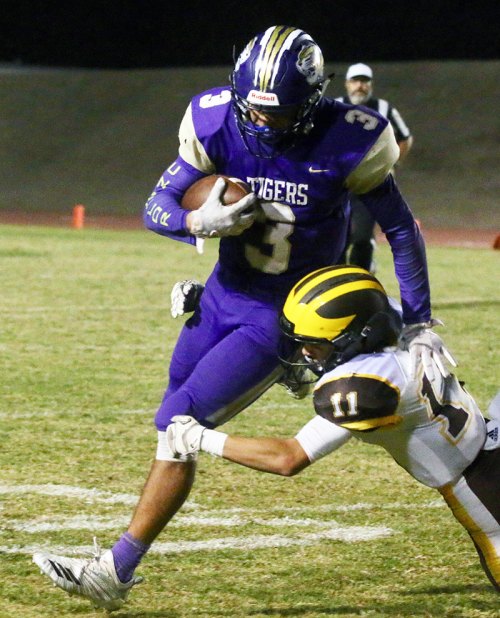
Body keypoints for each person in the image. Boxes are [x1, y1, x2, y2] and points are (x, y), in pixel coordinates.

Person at [33, 26, 450, 611]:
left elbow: (401, 229)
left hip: (280, 314)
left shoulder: (349, 138)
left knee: (179, 421)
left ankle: (115, 570)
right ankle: (120, 564)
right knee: (170, 418)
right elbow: (156, 207)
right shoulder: (214, 117)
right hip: (223, 293)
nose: (258, 121)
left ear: (309, 104)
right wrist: (194, 224)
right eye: (250, 106)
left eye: (274, 114)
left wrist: (421, 322)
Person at [166, 266, 500, 592]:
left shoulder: (371, 389)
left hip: (483, 490)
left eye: (317, 345)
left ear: (356, 338)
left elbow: (289, 458)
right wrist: (212, 302)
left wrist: (197, 436)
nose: (307, 353)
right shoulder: (393, 321)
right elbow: (344, 301)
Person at [336, 63, 414, 272]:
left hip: (370, 183)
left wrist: (392, 162)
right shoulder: (334, 106)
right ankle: (337, 284)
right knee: (338, 239)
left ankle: (361, 281)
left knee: (361, 237)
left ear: (370, 85)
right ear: (347, 84)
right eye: (355, 81)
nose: (359, 86)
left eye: (364, 81)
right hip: (337, 184)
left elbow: (405, 138)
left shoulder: (384, 108)